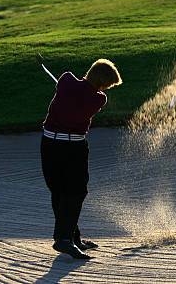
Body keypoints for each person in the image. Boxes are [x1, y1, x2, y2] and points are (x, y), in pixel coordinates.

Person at [40, 59, 122, 259]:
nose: (107, 90)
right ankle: (64, 239)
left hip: (49, 143)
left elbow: (69, 85)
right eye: (108, 86)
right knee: (76, 191)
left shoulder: (66, 80)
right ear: (103, 84)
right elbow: (91, 94)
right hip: (73, 147)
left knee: (60, 191)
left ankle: (72, 238)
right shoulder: (99, 99)